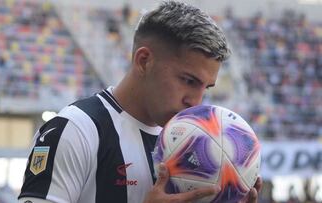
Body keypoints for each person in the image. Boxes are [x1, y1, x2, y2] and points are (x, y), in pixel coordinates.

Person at [18, 1, 262, 203]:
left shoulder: (194, 141)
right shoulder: (76, 130)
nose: (196, 101)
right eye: (188, 80)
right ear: (144, 60)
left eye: (206, 88)